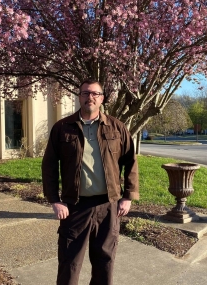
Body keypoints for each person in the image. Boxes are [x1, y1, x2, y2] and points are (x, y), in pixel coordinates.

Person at [42, 79, 139, 285]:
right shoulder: (62, 128)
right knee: (69, 263)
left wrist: (128, 196)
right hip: (75, 206)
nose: (90, 97)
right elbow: (48, 166)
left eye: (95, 94)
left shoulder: (117, 127)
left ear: (102, 98)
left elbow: (131, 162)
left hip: (108, 205)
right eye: (86, 93)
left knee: (105, 262)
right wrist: (54, 200)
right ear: (79, 97)